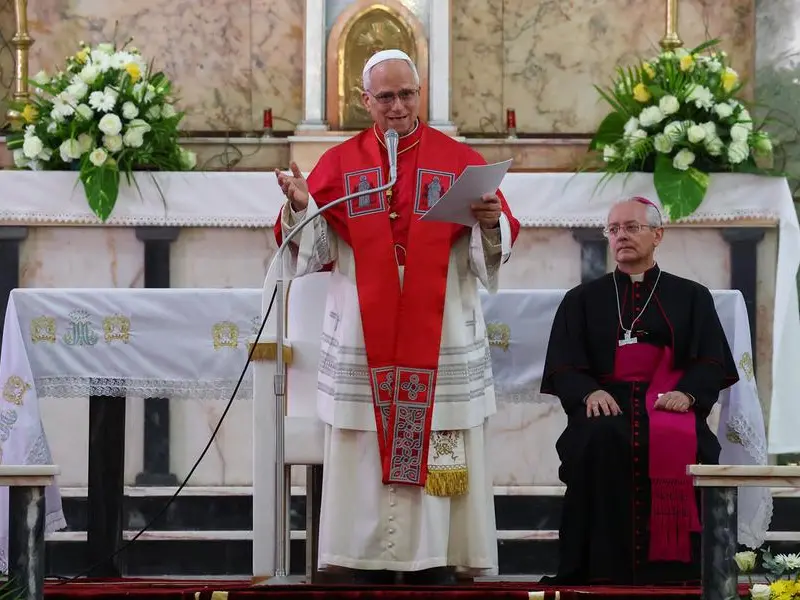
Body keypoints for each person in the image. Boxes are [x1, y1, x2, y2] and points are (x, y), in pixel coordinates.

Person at [273, 49, 520, 585]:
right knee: (362, 438)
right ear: (366, 101)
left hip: (442, 325)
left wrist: (488, 220)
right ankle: (359, 553)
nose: (398, 106)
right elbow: (314, 246)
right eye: (385, 96)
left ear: (419, 93)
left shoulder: (456, 157)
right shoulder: (342, 162)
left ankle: (440, 553)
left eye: (407, 94)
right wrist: (298, 205)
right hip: (366, 327)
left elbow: (495, 238)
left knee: (443, 429)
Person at [539, 197, 739, 585]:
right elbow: (562, 364)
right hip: (606, 404)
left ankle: (678, 574)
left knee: (687, 441)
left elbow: (712, 361)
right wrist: (588, 393)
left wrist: (689, 394)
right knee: (598, 439)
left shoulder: (692, 296)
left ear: (657, 234)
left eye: (632, 227)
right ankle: (597, 572)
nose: (621, 236)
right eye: (613, 230)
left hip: (669, 402)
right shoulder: (581, 299)